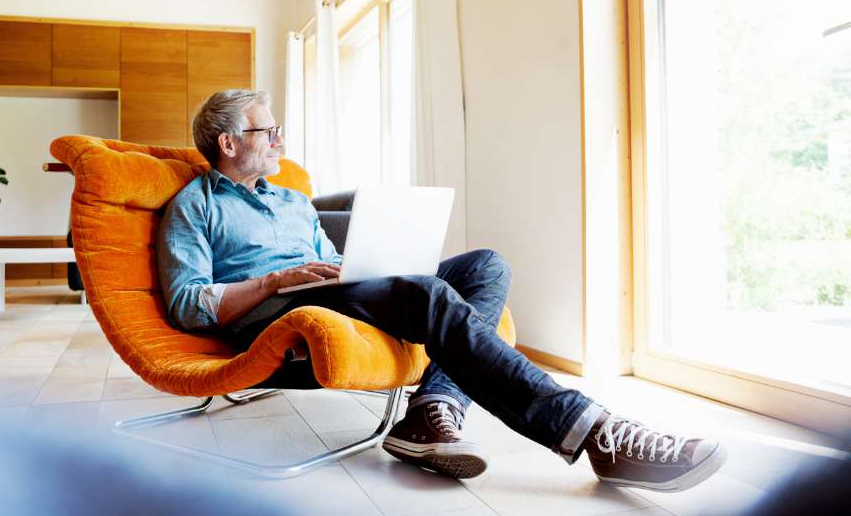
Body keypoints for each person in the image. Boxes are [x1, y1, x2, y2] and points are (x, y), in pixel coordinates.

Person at [157, 89, 727, 491]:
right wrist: (275, 280)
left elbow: (328, 260)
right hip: (274, 312)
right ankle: (596, 435)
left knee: (485, 266)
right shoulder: (195, 206)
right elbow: (189, 304)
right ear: (228, 142)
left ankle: (432, 407)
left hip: (327, 290)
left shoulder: (292, 199)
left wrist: (350, 267)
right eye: (267, 129)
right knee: (426, 294)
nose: (280, 138)